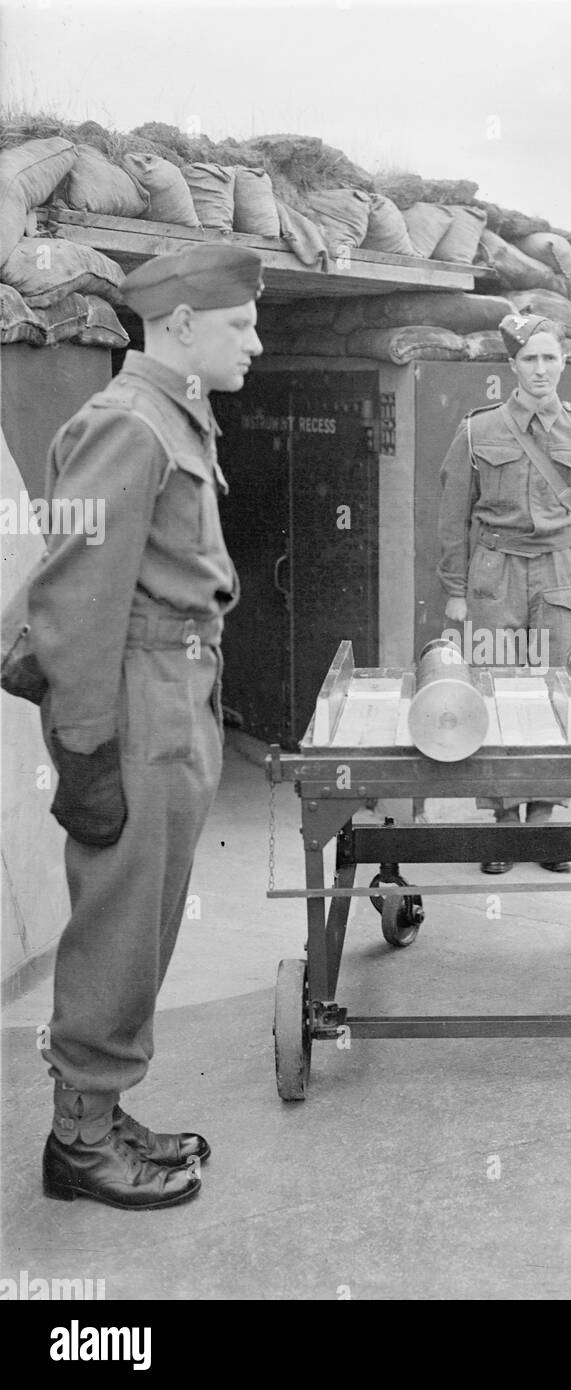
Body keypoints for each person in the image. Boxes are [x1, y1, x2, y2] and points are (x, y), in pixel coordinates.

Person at [24, 243, 264, 1206]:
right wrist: (85, 752)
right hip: (131, 699)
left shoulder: (173, 416)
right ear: (179, 325)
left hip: (175, 688)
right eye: (241, 324)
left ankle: (101, 1111)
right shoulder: (130, 424)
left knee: (148, 915)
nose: (256, 341)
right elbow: (78, 602)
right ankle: (79, 1146)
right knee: (120, 922)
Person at [437, 313, 571, 874]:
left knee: (561, 690)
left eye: (550, 358)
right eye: (529, 359)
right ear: (512, 365)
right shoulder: (479, 429)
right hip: (496, 570)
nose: (540, 370)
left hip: (563, 570)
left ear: (564, 363)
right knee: (493, 688)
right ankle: (504, 821)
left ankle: (543, 818)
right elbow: (451, 514)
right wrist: (456, 589)